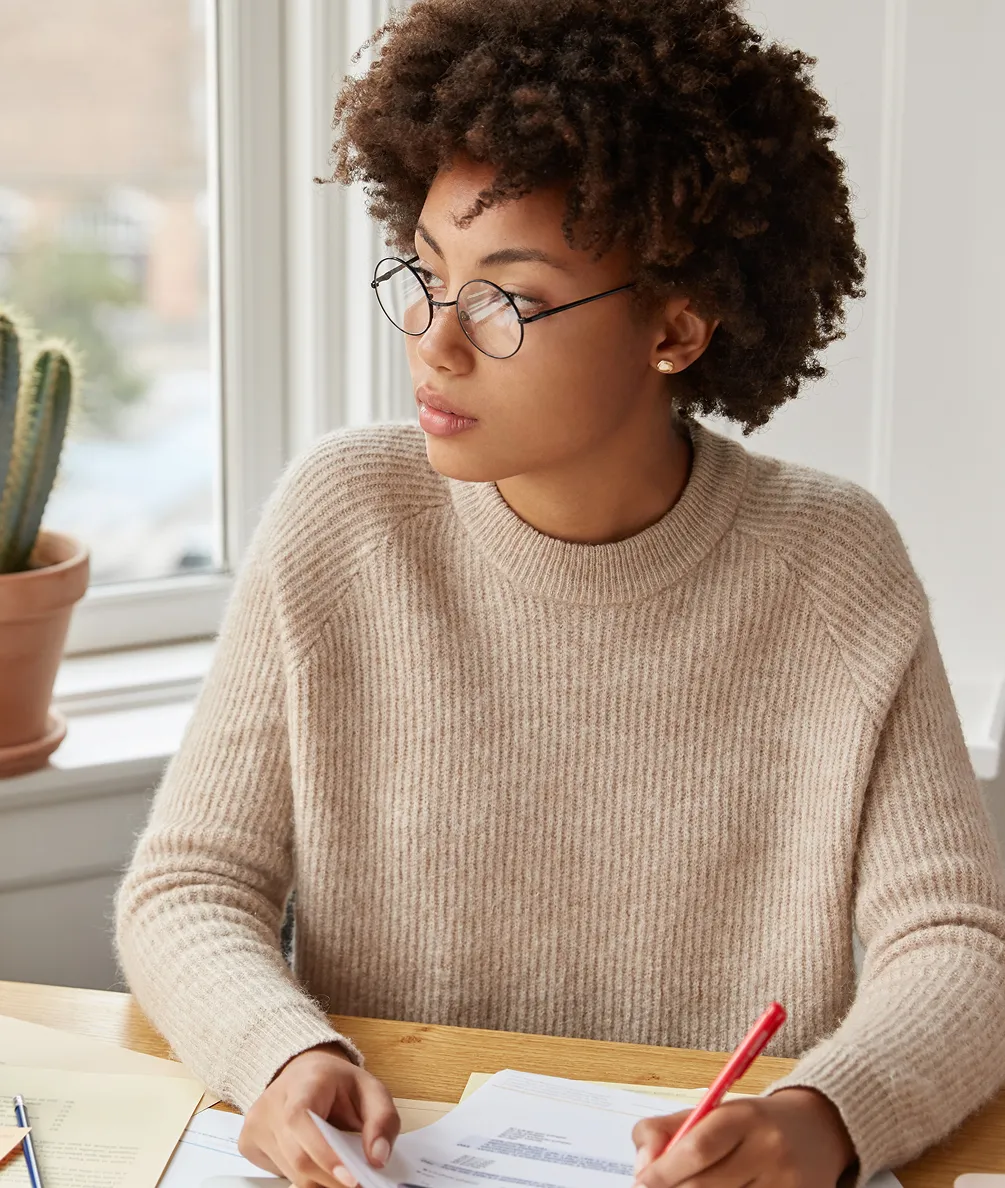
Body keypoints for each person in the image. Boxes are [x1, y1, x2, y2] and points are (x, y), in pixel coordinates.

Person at [114, 1, 1005, 1187]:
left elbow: (959, 949)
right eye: (427, 272)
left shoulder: (832, 566)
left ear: (676, 327)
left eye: (508, 298)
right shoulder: (345, 520)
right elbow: (188, 887)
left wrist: (824, 1117)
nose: (436, 340)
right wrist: (281, 1053)